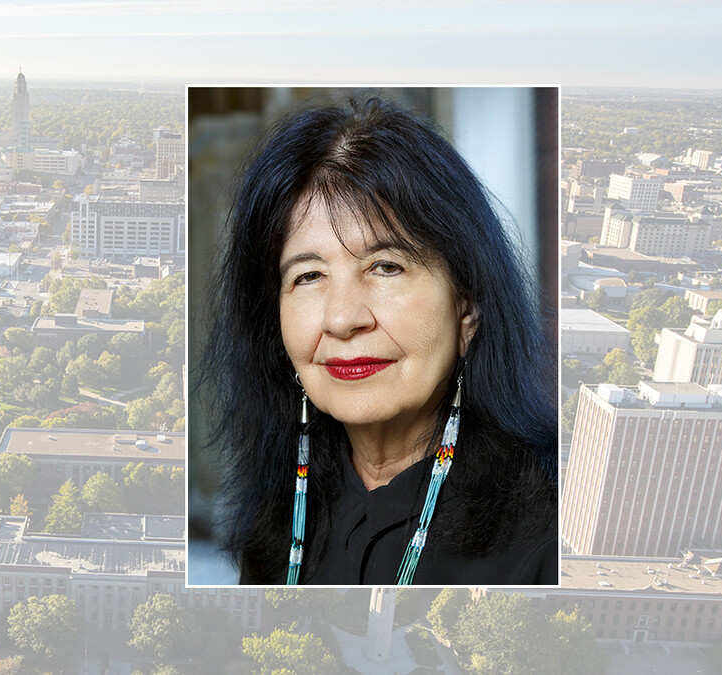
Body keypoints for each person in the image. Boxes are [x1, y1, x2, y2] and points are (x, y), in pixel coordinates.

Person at [200, 96, 557, 585]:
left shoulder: (554, 533)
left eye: (385, 267)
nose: (343, 319)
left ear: (467, 307)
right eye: (308, 276)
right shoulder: (274, 523)